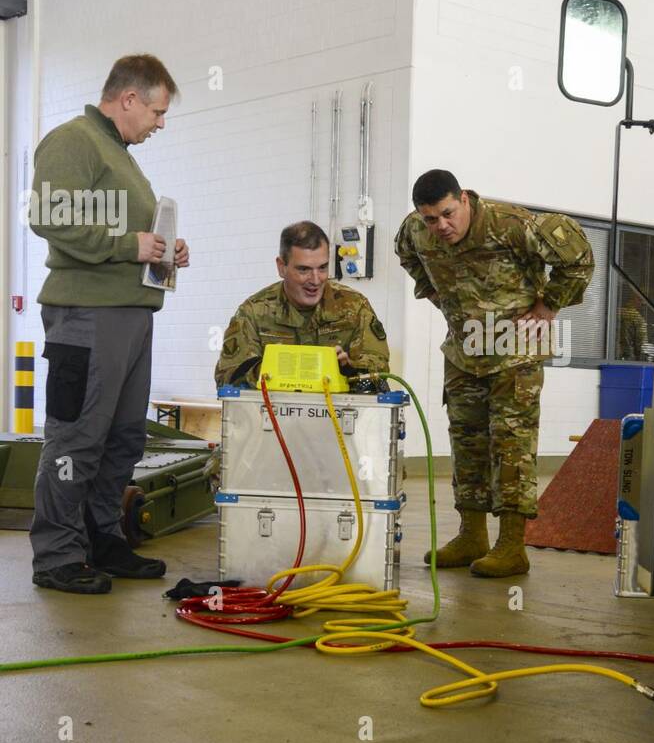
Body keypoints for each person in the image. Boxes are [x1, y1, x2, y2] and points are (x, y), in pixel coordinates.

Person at [28, 54, 189, 595]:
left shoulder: (119, 153)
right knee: (77, 439)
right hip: (87, 318)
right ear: (128, 99)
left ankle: (100, 538)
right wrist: (130, 244)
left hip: (132, 315)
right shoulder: (74, 140)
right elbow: (48, 216)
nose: (160, 123)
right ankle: (57, 554)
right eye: (157, 112)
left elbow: (126, 233)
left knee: (122, 439)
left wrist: (163, 250)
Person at [395, 170, 593, 578]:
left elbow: (578, 259)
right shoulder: (416, 230)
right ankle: (472, 535)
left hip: (513, 352)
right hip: (464, 350)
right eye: (432, 219)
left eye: (448, 214)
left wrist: (549, 306)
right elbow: (408, 255)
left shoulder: (511, 225)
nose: (441, 226)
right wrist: (435, 292)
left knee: (511, 445)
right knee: (466, 440)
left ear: (464, 199)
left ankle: (511, 546)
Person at [215, 221, 389, 388]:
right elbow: (228, 377)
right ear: (281, 267)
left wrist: (348, 369)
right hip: (271, 416)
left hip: (338, 416)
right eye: (304, 269)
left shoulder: (354, 307)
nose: (315, 280)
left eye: (322, 268)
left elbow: (380, 374)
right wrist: (278, 370)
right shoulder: (254, 312)